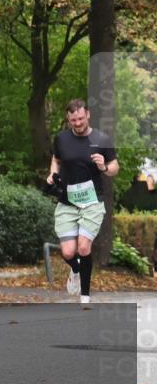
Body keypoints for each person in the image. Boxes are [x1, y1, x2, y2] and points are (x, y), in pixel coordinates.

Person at [47, 99, 119, 303]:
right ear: (68, 120)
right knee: (68, 251)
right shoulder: (61, 138)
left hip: (92, 201)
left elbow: (115, 168)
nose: (77, 123)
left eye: (80, 118)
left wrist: (104, 166)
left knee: (84, 248)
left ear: (87, 114)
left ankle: (85, 296)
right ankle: (76, 270)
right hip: (67, 200)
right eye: (73, 120)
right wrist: (53, 174)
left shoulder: (102, 139)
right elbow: (56, 159)